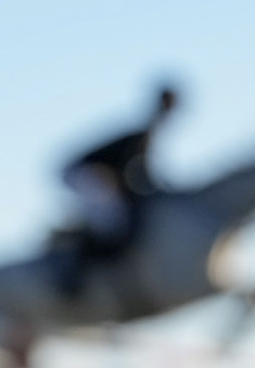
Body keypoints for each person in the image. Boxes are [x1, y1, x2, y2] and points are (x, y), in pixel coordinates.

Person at [57, 84, 180, 294]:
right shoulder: (145, 131)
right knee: (111, 220)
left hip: (97, 174)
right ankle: (72, 275)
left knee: (120, 213)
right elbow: (134, 170)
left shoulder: (149, 130)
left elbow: (142, 172)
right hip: (82, 172)